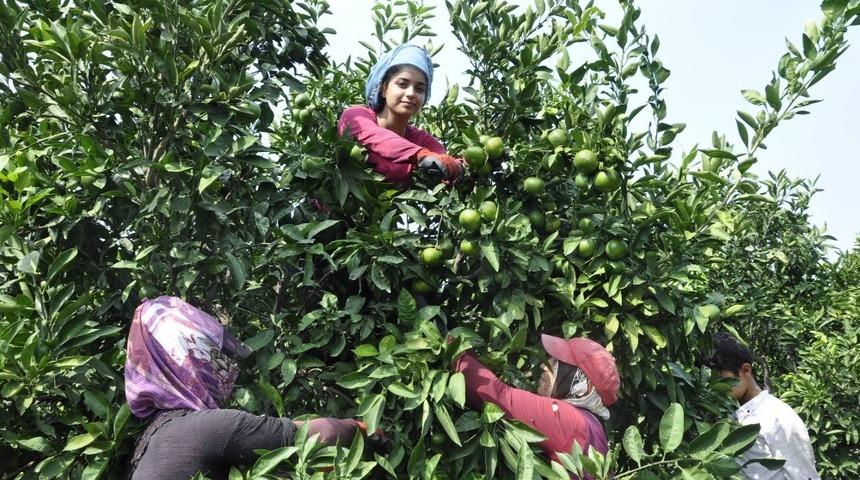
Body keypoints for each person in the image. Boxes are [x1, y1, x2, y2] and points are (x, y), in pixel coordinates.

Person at [124, 296, 375, 480]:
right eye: (208, 354)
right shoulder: (204, 429)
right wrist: (359, 428)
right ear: (188, 361)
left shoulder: (148, 446)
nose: (220, 364)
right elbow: (325, 434)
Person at [452, 334, 619, 466]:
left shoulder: (569, 420)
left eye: (555, 362)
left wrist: (451, 349)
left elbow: (500, 397)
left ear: (584, 382)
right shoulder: (593, 424)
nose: (543, 366)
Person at [337, 44, 465, 184]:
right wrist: (420, 155)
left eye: (419, 89)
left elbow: (445, 162)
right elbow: (379, 139)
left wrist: (463, 167)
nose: (411, 94)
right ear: (384, 88)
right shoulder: (356, 116)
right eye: (402, 84)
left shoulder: (420, 140)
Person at [706, 332, 819, 480]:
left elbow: (805, 475)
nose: (713, 387)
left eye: (720, 379)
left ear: (745, 370)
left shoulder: (777, 416)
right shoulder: (727, 416)